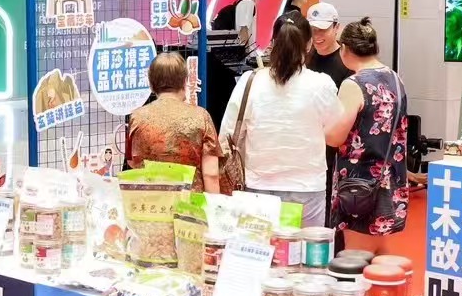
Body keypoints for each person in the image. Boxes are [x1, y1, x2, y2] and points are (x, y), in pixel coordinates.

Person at [220, 18, 342, 225]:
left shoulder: (250, 81)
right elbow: (336, 133)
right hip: (307, 188)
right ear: (309, 44)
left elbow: (227, 135)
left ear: (273, 42)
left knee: (260, 246)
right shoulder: (321, 84)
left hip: (257, 187)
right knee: (306, 246)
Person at [325, 18, 410, 252]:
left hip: (359, 185)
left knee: (356, 257)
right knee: (378, 251)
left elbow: (335, 137)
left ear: (345, 48)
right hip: (390, 180)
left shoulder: (354, 84)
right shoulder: (395, 78)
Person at [126, 53, 220, 193]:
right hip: (191, 201)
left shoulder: (137, 117)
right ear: (185, 81)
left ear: (151, 83)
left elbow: (132, 162)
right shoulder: (201, 116)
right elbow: (211, 174)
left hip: (150, 199)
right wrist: (215, 203)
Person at [305, 2, 355, 89]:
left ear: (336, 27)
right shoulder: (304, 57)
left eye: (322, 29)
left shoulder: (348, 62)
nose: (316, 35)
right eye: (312, 29)